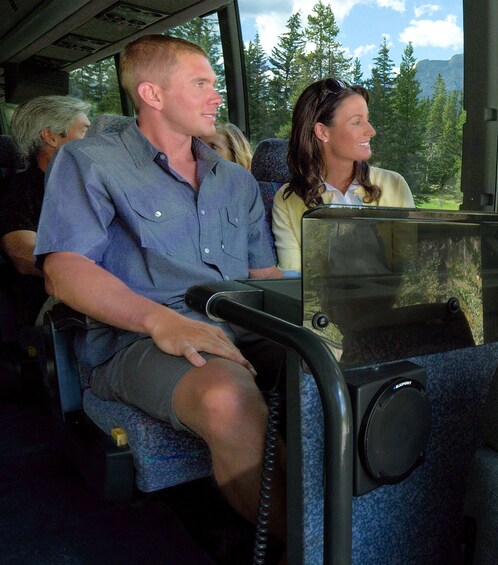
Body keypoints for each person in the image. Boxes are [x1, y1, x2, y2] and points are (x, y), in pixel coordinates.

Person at [34, 35, 286, 540]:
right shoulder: (90, 162)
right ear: (152, 94)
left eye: (215, 85)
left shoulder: (235, 181)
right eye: (201, 84)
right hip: (140, 338)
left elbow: (264, 278)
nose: (217, 97)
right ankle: (302, 546)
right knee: (226, 398)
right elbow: (63, 268)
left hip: (240, 321)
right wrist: (160, 321)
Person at [271, 77, 414, 273]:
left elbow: (410, 266)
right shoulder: (287, 200)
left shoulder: (394, 185)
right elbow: (293, 277)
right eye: (357, 122)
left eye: (367, 119)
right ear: (322, 131)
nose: (371, 131)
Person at [0, 95, 90, 329]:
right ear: (51, 136)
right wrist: (91, 272)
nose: (92, 141)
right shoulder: (19, 189)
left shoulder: (90, 184)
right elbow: (23, 253)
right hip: (54, 300)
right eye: (84, 132)